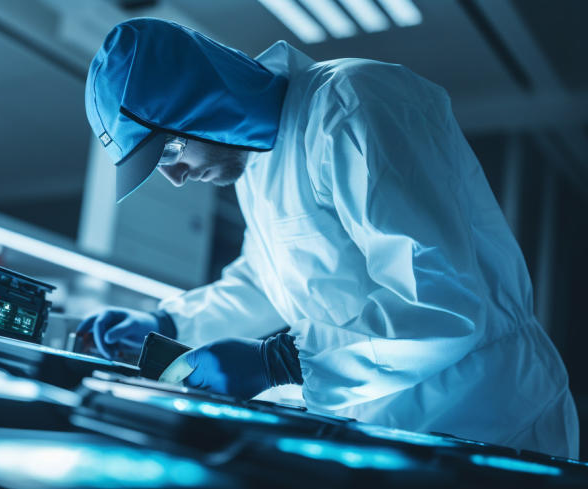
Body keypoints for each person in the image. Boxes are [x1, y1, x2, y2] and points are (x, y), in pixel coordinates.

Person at [76, 18, 579, 458]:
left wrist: (277, 362)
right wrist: (167, 320)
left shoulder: (354, 104)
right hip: (389, 428)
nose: (177, 177)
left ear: (204, 104)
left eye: (167, 154)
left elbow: (441, 303)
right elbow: (264, 279)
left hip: (491, 423)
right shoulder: (253, 161)